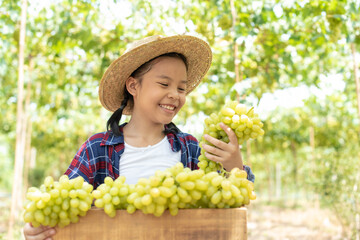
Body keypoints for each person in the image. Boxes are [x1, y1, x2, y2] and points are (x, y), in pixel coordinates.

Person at [23, 35, 255, 240]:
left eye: (182, 89)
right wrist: (39, 228)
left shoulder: (191, 148)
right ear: (133, 85)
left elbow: (230, 205)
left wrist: (234, 165)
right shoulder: (96, 149)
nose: (174, 95)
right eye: (164, 83)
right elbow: (63, 205)